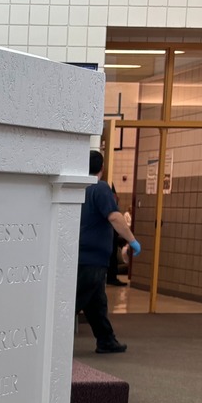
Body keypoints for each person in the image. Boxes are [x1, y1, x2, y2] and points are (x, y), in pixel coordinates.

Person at [78, 150, 141, 353]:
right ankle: (46, 339)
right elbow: (114, 217)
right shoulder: (100, 187)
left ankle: (106, 340)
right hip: (93, 257)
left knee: (96, 302)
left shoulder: (79, 187)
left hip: (80, 254)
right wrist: (132, 240)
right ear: (102, 168)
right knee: (76, 300)